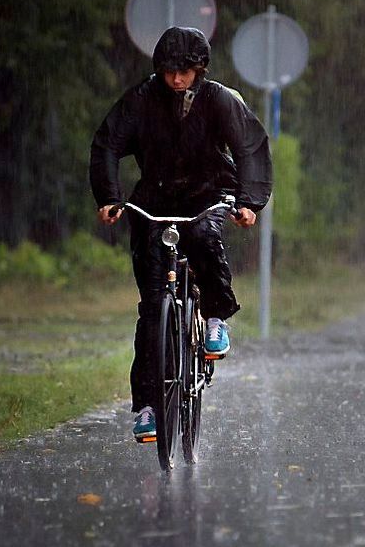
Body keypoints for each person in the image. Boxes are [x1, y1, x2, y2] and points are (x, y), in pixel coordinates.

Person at [89, 26, 272, 441]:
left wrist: (248, 202)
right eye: (170, 71)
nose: (177, 79)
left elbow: (251, 147)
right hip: (153, 200)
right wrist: (109, 196)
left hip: (209, 193)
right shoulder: (140, 100)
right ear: (159, 69)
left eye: (186, 72)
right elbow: (107, 145)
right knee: (153, 309)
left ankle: (214, 317)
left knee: (204, 239)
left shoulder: (219, 100)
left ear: (200, 69)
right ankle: (149, 406)